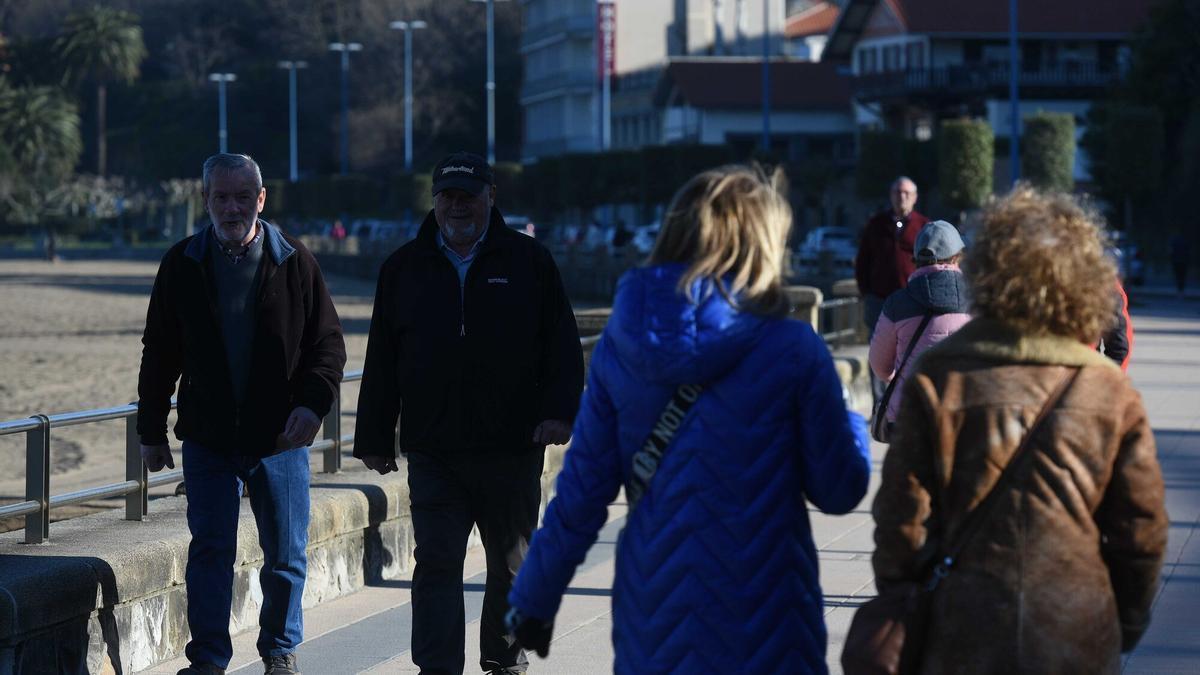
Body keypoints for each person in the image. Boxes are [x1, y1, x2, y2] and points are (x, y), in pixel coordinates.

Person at [505, 165, 872, 672]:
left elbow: (581, 494)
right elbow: (840, 490)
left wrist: (534, 599)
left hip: (656, 619)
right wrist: (852, 426)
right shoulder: (793, 348)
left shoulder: (623, 341)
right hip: (770, 624)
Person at [868, 187, 1167, 673]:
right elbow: (1140, 533)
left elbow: (901, 519)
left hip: (963, 626)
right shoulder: (1107, 395)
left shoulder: (941, 379)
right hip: (1073, 629)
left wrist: (906, 598)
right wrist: (1121, 622)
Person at [354, 151, 585, 675]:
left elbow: (563, 348)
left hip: (511, 445)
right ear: (434, 203)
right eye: (448, 197)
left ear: (490, 199)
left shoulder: (530, 262)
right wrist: (373, 434)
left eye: (468, 196)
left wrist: (560, 413)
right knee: (436, 563)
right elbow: (383, 358)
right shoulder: (402, 269)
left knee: (511, 563)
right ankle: (436, 667)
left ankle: (503, 661)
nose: (458, 207)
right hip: (434, 447)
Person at [137, 153, 347, 675]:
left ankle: (279, 650)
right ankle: (208, 659)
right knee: (210, 551)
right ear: (205, 200)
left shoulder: (295, 260)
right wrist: (151, 430)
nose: (230, 207)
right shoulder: (182, 262)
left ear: (261, 199)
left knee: (286, 553)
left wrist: (312, 404)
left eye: (240, 196)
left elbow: (328, 346)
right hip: (208, 438)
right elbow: (159, 352)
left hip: (279, 438)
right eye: (219, 197)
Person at [868, 219, 970, 435]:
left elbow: (879, 365)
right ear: (956, 257)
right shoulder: (977, 301)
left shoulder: (897, 303)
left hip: (908, 414)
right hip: (961, 415)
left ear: (916, 259)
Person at [854, 176, 930, 334]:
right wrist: (865, 292)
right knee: (878, 349)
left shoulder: (924, 225)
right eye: (898, 192)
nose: (902, 197)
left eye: (907, 193)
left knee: (909, 346)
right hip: (879, 299)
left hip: (912, 298)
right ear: (891, 195)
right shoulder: (876, 224)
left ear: (915, 197)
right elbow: (863, 260)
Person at [1170, 232, 1190, 297]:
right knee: (1182, 277)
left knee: (1178, 276)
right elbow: (1188, 252)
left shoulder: (1174, 242)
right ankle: (1181, 291)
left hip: (1177, 261)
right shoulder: (1185, 242)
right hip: (1183, 261)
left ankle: (1179, 291)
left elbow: (1171, 252)